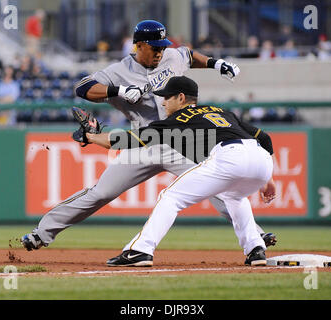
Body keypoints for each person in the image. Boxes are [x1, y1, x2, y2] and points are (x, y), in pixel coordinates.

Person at [21, 20, 277, 252]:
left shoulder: (171, 56)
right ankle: (41, 233)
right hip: (143, 142)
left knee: (219, 188)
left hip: (180, 142)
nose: (160, 52)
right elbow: (82, 87)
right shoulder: (119, 70)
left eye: (162, 47)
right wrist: (117, 89)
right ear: (139, 45)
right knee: (100, 193)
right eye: (154, 47)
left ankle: (256, 237)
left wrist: (215, 63)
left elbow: (187, 54)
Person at [77, 76, 276, 266]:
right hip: (261, 159)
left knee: (170, 197)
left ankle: (140, 250)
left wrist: (92, 137)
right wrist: (269, 179)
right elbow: (264, 138)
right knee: (234, 197)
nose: (163, 103)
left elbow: (130, 139)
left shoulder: (180, 118)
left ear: (181, 97)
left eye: (166, 97)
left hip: (230, 156)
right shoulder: (222, 111)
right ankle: (255, 249)